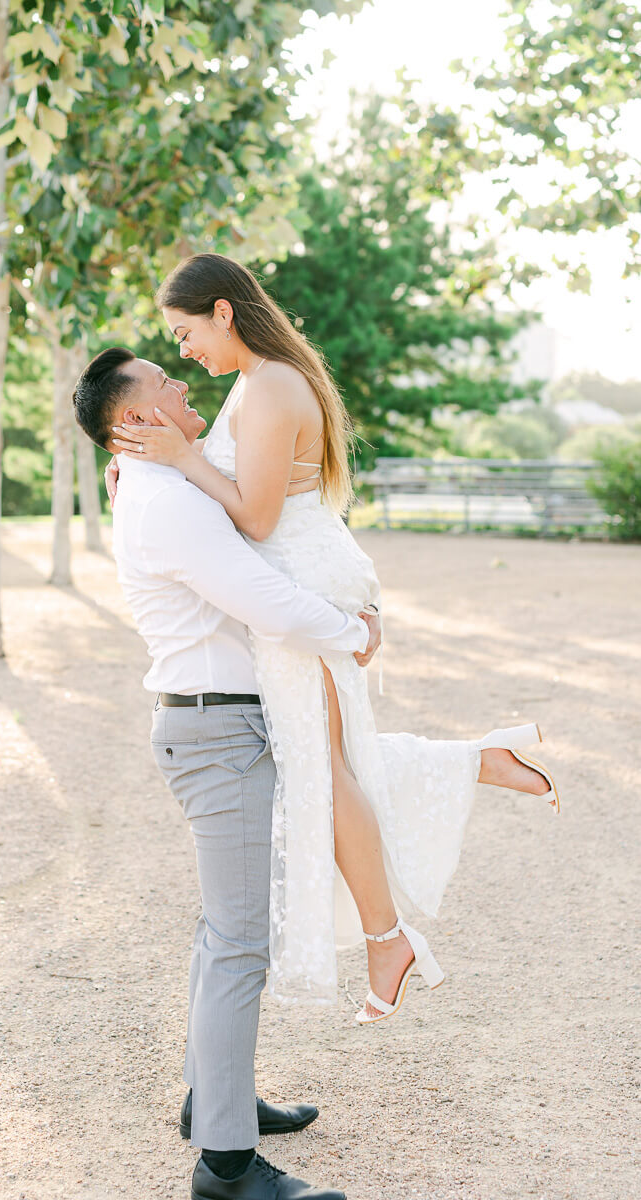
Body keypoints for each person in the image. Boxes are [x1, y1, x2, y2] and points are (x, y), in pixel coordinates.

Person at [108, 252, 559, 1027]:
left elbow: (255, 517)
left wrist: (183, 460)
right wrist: (160, 475)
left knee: (321, 770)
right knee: (323, 762)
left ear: (223, 311)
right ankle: (476, 766)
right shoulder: (261, 382)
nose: (184, 351)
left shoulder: (273, 384)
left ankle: (390, 940)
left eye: (185, 332)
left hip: (300, 591)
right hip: (302, 583)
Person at [73, 346, 382, 1199]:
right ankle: (226, 1163)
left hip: (217, 725)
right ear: (133, 421)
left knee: (228, 931)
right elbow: (260, 596)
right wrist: (353, 632)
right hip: (217, 732)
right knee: (239, 940)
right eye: (164, 383)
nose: (184, 384)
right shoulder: (164, 502)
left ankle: (217, 1098)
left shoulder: (166, 481)